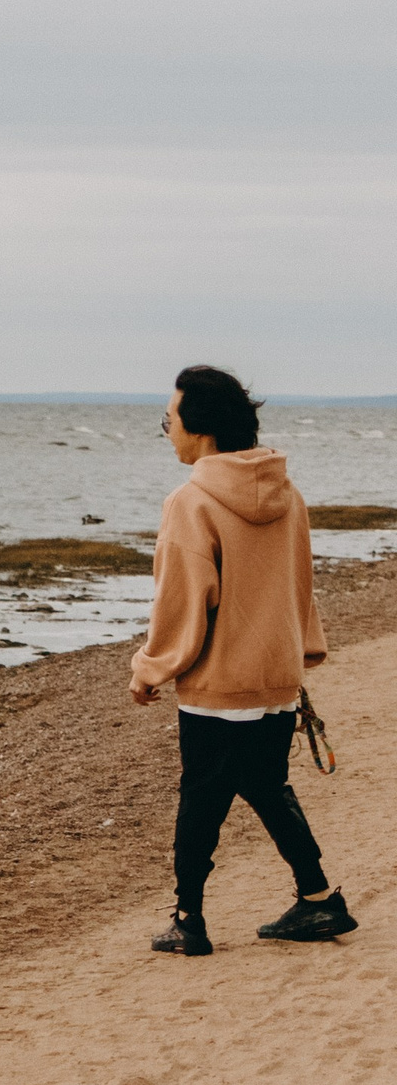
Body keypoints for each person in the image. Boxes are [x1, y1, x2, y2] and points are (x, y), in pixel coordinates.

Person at [130, 365, 354, 954]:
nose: (168, 432)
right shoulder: (290, 494)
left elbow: (182, 601)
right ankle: (317, 899)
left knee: (201, 798)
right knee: (264, 782)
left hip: (221, 683)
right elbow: (298, 583)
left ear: (198, 429)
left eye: (169, 420)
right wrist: (300, 652)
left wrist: (151, 667)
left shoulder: (190, 502)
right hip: (276, 678)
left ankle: (188, 920)